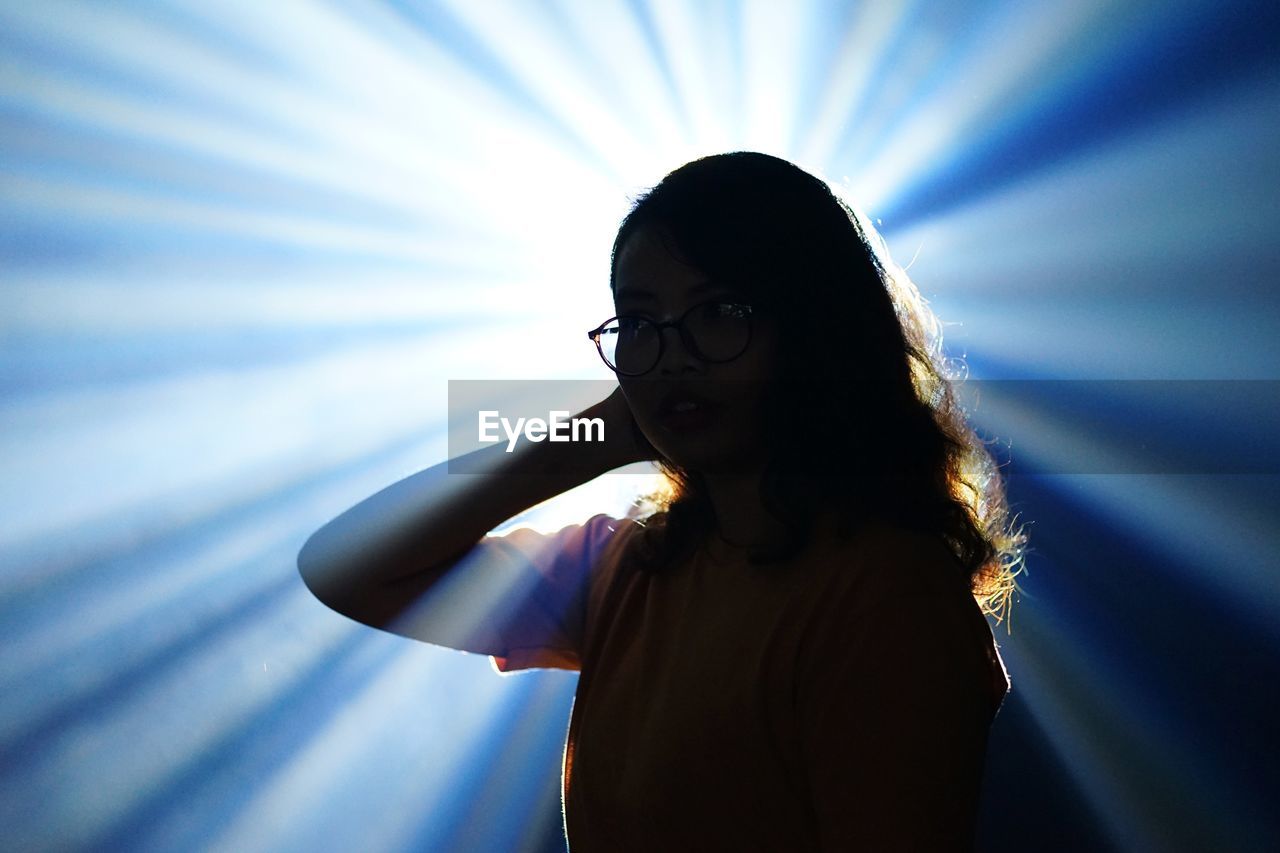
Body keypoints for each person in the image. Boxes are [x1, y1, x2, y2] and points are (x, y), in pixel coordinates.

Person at [297, 151, 1027, 852]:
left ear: (813, 329)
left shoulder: (886, 593)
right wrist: (595, 435)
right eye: (640, 323)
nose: (673, 354)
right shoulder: (625, 565)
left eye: (718, 311)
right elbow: (346, 567)